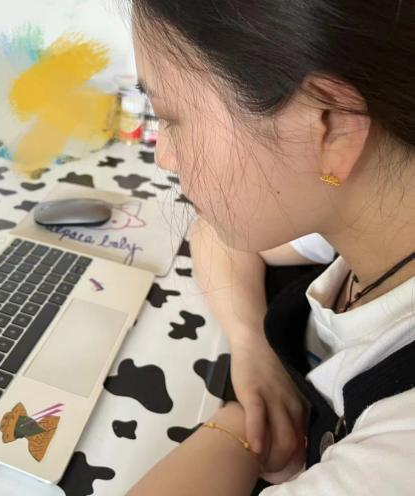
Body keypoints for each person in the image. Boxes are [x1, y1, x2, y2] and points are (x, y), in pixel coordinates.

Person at [127, 1, 415, 494]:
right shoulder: (369, 215)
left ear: (330, 126)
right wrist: (251, 345)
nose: (165, 158)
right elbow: (215, 236)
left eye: (171, 118)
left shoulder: (397, 456)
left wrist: (238, 427)